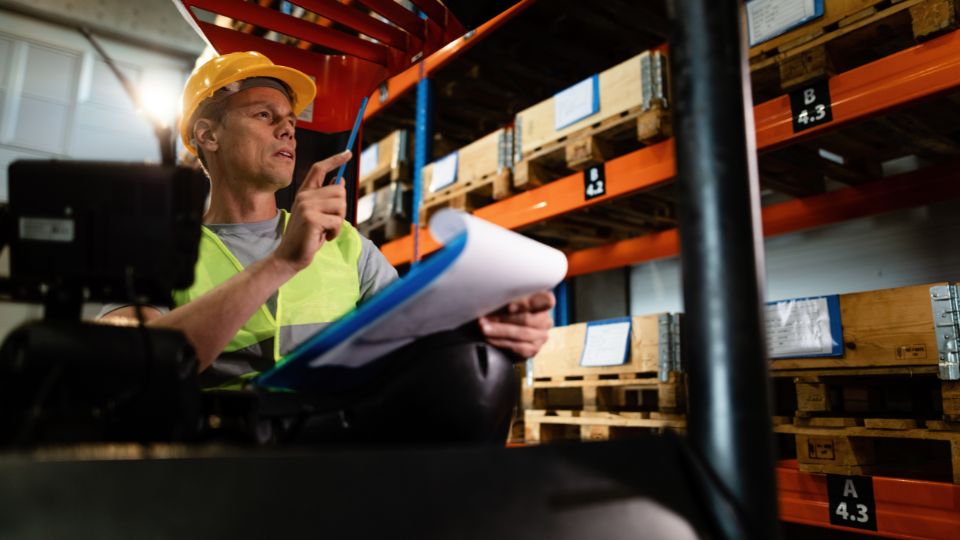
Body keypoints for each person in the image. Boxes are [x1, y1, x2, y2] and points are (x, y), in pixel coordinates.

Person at [100, 51, 555, 442]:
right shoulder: (157, 249)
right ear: (208, 135)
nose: (287, 130)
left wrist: (490, 330)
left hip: (337, 436)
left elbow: (417, 343)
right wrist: (282, 263)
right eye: (265, 115)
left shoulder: (348, 245)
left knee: (483, 370)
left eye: (291, 121)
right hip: (222, 447)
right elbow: (126, 360)